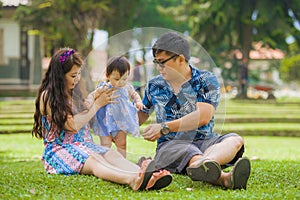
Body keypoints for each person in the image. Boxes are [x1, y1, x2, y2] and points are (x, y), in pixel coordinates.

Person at [32, 47, 172, 191]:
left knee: (111, 154)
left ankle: (146, 175)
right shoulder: (48, 96)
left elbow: (89, 114)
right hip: (60, 149)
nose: (77, 79)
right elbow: (72, 126)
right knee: (94, 160)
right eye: (73, 76)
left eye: (78, 74)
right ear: (59, 76)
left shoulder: (75, 92)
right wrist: (98, 104)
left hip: (84, 145)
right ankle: (133, 180)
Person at [138, 32, 251, 190]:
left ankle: (205, 164)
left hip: (205, 141)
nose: (159, 67)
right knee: (191, 152)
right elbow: (138, 117)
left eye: (162, 62)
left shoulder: (206, 79)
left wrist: (164, 127)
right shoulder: (154, 85)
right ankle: (224, 178)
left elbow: (203, 117)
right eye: (156, 62)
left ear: (181, 59)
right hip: (170, 145)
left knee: (235, 140)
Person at [87, 56, 144, 158]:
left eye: (124, 78)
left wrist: (138, 101)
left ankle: (122, 162)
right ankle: (105, 162)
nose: (120, 82)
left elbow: (135, 94)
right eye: (117, 79)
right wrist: (90, 100)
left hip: (121, 120)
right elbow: (93, 94)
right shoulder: (104, 87)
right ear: (108, 75)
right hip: (104, 121)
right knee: (106, 144)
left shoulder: (127, 87)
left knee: (122, 143)